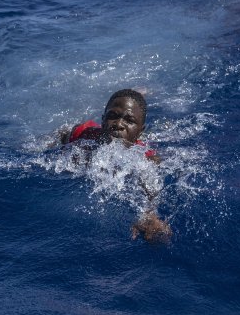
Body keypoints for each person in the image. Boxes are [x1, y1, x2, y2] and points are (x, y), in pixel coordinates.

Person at [59, 89, 171, 242]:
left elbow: (150, 189)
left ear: (140, 131)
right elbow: (62, 135)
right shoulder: (85, 133)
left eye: (129, 120)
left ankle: (140, 93)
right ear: (103, 120)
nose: (118, 124)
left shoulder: (147, 158)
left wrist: (150, 215)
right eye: (112, 116)